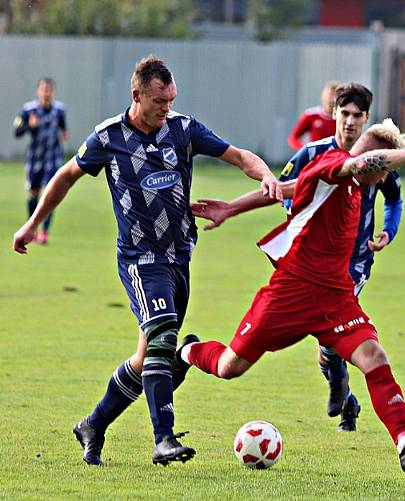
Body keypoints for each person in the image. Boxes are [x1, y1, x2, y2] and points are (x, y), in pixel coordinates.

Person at [12, 55, 282, 466]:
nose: (166, 108)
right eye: (159, 101)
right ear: (136, 95)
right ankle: (163, 439)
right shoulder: (108, 137)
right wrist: (34, 223)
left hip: (179, 256)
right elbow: (67, 174)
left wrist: (265, 175)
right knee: (162, 336)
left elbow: (239, 155)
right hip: (140, 259)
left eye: (171, 100)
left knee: (146, 358)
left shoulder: (184, 129)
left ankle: (93, 424)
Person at [178, 121, 405, 474]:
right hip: (291, 292)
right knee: (229, 366)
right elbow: (360, 165)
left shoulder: (349, 185)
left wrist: (231, 208)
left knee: (373, 355)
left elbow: (285, 189)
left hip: (335, 296)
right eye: (384, 170)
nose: (384, 178)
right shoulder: (335, 165)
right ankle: (186, 351)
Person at [192, 83, 403, 432]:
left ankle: (340, 387)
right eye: (344, 114)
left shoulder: (380, 159)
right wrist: (298, 209)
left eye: (357, 116)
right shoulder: (312, 154)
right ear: (334, 114)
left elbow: (394, 198)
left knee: (334, 339)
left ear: (367, 119)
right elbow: (280, 189)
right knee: (328, 341)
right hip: (308, 262)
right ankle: (343, 393)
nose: (350, 122)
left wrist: (388, 230)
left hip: (354, 262)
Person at [13, 78, 69, 244]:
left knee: (50, 194)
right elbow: (17, 131)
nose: (46, 91)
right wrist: (30, 126)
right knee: (34, 193)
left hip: (53, 159)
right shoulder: (28, 110)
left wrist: (64, 134)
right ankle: (32, 229)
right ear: (38, 91)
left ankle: (44, 232)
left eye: (49, 89)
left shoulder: (59, 110)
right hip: (35, 160)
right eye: (43, 88)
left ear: (53, 91)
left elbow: (63, 129)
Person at [287, 80, 338, 151]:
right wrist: (305, 151)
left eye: (334, 96)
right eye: (329, 95)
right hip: (316, 160)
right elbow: (293, 138)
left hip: (336, 159)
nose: (331, 100)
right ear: (322, 96)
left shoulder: (343, 118)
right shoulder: (311, 115)